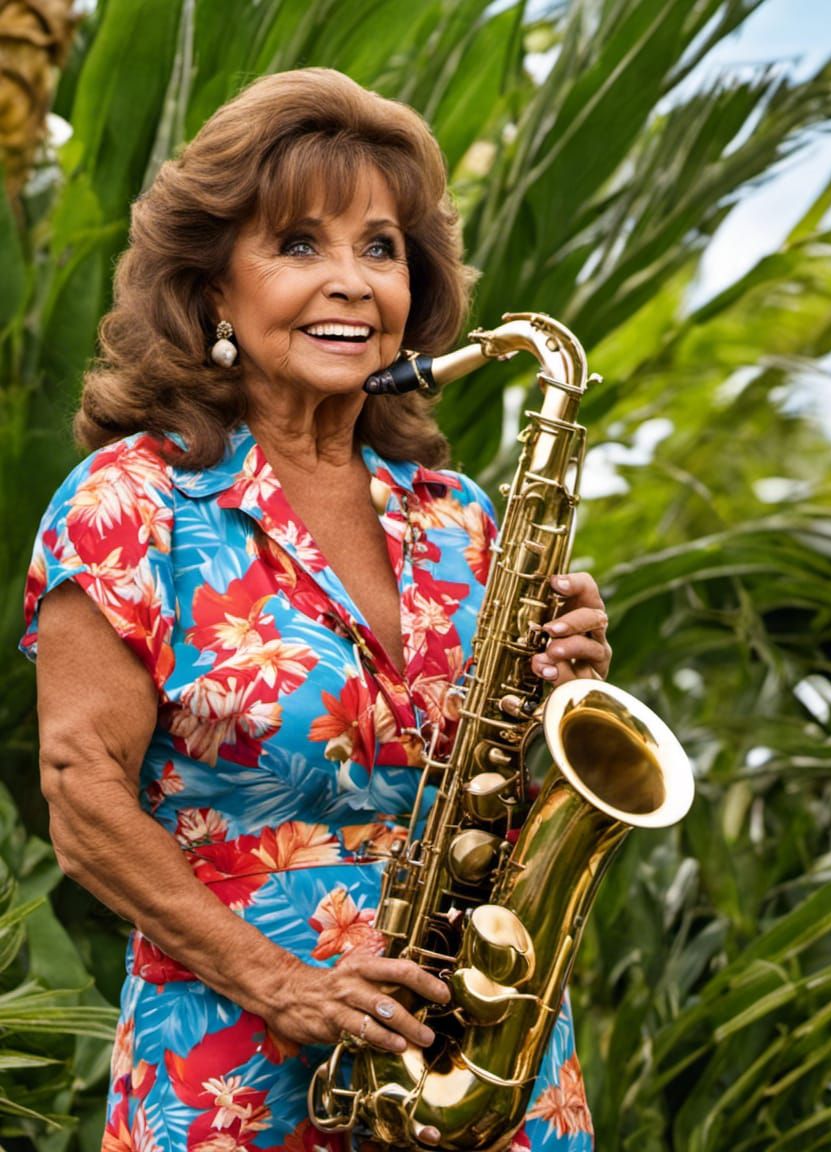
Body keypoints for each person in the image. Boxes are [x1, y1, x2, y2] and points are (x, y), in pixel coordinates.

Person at [21, 69, 611, 1151]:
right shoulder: (129, 505)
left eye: (379, 248)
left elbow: (491, 788)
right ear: (210, 289)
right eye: (298, 244)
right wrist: (284, 985)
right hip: (238, 1062)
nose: (350, 282)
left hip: (482, 1061)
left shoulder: (465, 519)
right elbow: (81, 799)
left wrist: (562, 685)